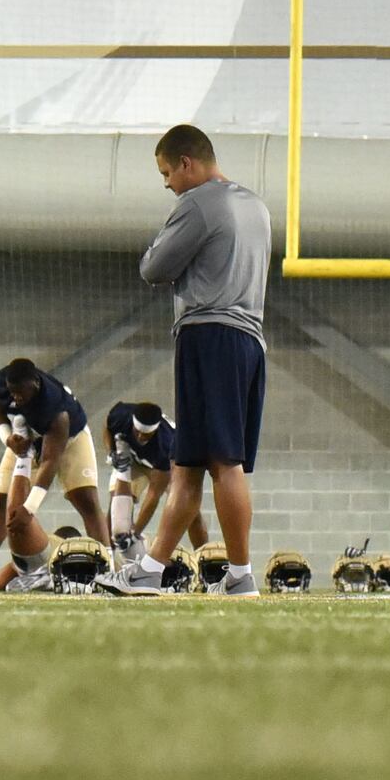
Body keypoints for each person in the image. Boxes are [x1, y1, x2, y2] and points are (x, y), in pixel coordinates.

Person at [130, 124, 274, 596]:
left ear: (188, 164)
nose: (167, 183)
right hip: (249, 341)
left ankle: (240, 575)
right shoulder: (256, 205)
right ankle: (148, 571)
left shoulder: (196, 203)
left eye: (168, 172)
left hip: (210, 337)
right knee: (187, 464)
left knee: (223, 463)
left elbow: (153, 268)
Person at [0, 358, 113, 591]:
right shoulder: (4, 381)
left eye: (21, 393)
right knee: (1, 499)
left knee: (86, 499)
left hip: (68, 439)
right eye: (13, 393)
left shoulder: (55, 407)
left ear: (36, 385)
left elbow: (50, 461)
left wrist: (30, 509)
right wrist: (8, 438)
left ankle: (107, 573)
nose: (16, 398)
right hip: (25, 435)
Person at [102, 401, 175, 560]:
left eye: (146, 435)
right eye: (138, 432)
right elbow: (107, 428)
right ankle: (109, 561)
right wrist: (111, 452)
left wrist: (135, 533)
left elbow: (153, 495)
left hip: (164, 468)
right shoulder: (121, 416)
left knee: (185, 508)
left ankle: (201, 558)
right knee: (118, 519)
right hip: (135, 459)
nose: (141, 437)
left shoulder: (165, 445)